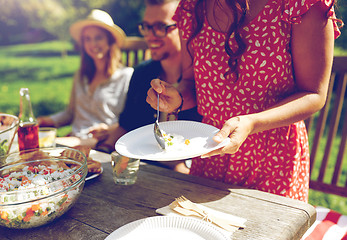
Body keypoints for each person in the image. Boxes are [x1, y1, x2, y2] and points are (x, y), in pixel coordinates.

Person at [146, 0, 342, 202]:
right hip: (210, 152)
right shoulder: (192, 6)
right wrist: (177, 99)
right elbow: (191, 82)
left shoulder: (302, 4)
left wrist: (252, 123)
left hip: (273, 160)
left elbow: (313, 94)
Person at [98, 0, 202, 173]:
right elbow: (126, 124)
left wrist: (178, 167)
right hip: (143, 170)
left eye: (161, 27)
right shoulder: (141, 74)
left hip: (189, 175)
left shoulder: (202, 80)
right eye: (146, 27)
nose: (150, 36)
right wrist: (102, 150)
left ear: (184, 28)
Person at [37, 9, 134, 147]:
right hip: (74, 138)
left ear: (109, 40)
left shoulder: (126, 76)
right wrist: (46, 120)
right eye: (87, 39)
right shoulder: (81, 76)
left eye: (98, 37)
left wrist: (110, 129)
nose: (92, 44)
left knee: (43, 146)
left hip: (102, 143)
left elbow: (131, 121)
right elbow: (70, 113)